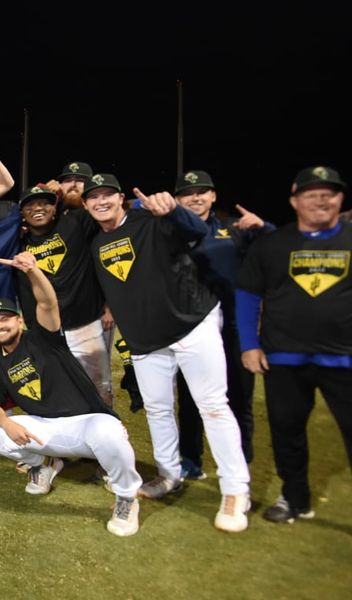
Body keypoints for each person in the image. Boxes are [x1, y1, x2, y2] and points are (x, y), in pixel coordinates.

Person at [83, 173, 251, 532]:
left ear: (121, 198)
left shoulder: (150, 220)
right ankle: (168, 473)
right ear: (85, 205)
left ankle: (236, 489)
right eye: (92, 197)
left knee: (213, 407)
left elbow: (198, 233)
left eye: (107, 195)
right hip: (146, 340)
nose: (101, 202)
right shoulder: (98, 244)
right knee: (158, 409)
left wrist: (174, 210)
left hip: (191, 322)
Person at [0, 252, 142, 536]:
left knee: (108, 434)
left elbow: (47, 302)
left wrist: (33, 271)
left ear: (19, 321)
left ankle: (127, 496)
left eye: (5, 318)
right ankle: (42, 467)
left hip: (87, 424)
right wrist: (7, 423)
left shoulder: (43, 338)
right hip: (47, 430)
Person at [237, 165, 351, 524]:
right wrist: (249, 345)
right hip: (284, 357)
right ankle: (295, 498)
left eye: (328, 193)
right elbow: (248, 295)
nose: (320, 199)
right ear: (294, 200)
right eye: (311, 193)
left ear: (340, 199)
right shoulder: (274, 244)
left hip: (344, 358)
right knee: (287, 431)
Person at [173, 170, 270, 478]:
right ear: (177, 200)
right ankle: (191, 461)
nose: (196, 197)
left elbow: (281, 250)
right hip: (192, 328)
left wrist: (264, 228)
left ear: (213, 196)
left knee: (239, 397)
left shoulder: (235, 228)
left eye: (202, 191)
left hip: (233, 327)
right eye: (187, 193)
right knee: (189, 399)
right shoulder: (170, 232)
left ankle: (239, 466)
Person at [15, 185, 112, 405]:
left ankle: (107, 433)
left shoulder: (75, 223)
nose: (38, 208)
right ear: (21, 213)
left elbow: (96, 206)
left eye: (45, 203)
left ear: (55, 207)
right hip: (44, 333)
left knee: (100, 388)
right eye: (30, 205)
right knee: (56, 391)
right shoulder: (15, 241)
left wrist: (67, 192)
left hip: (84, 324)